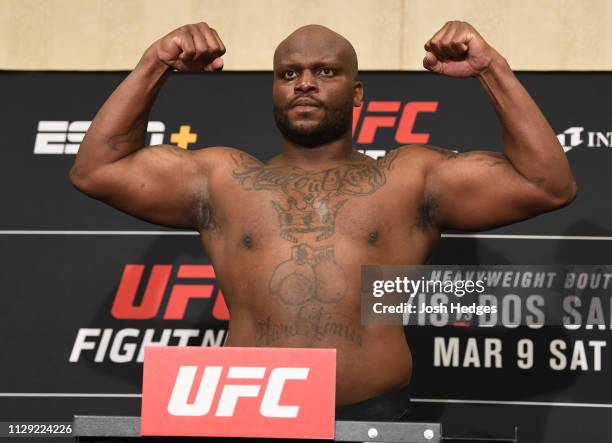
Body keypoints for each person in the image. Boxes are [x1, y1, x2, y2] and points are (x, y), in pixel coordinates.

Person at [69, 20, 576, 421]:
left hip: (375, 417)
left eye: (326, 71)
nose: (305, 83)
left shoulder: (407, 178)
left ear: (357, 94)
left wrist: (492, 68)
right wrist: (156, 62)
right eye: (288, 73)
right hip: (248, 414)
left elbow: (547, 184)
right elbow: (96, 169)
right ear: (273, 89)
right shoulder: (222, 180)